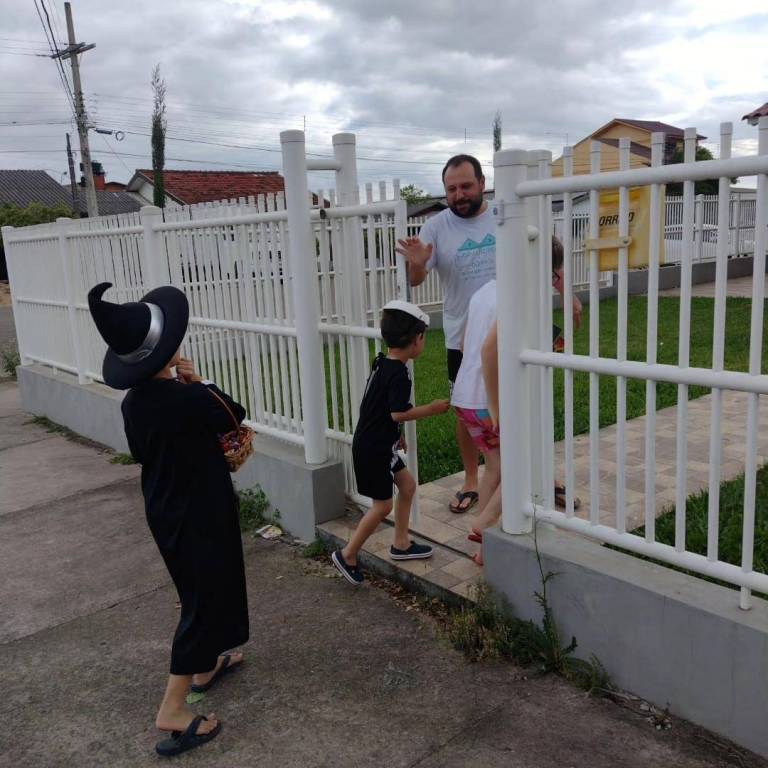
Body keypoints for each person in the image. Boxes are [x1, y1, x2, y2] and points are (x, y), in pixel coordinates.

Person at [88, 282, 249, 758]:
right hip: (201, 510)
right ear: (163, 352)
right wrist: (196, 382)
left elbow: (142, 451)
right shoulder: (186, 398)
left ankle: (205, 667)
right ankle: (173, 708)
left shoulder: (133, 403)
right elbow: (233, 414)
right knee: (204, 599)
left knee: (199, 587)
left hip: (164, 509)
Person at [396, 154, 495, 514]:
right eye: (451, 189)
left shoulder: (505, 215)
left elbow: (543, 254)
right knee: (466, 410)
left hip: (509, 331)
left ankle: (525, 472)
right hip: (461, 338)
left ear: (482, 183)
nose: (459, 194)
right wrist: (417, 265)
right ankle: (471, 480)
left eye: (466, 186)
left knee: (521, 401)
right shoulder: (436, 227)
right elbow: (415, 279)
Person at [331, 300, 450, 585]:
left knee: (407, 486)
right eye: (424, 337)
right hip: (375, 449)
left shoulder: (382, 363)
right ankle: (347, 554)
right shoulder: (399, 373)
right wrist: (432, 409)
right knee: (382, 506)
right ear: (416, 339)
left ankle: (401, 544)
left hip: (377, 442)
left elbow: (378, 408)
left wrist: (396, 435)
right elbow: (398, 412)